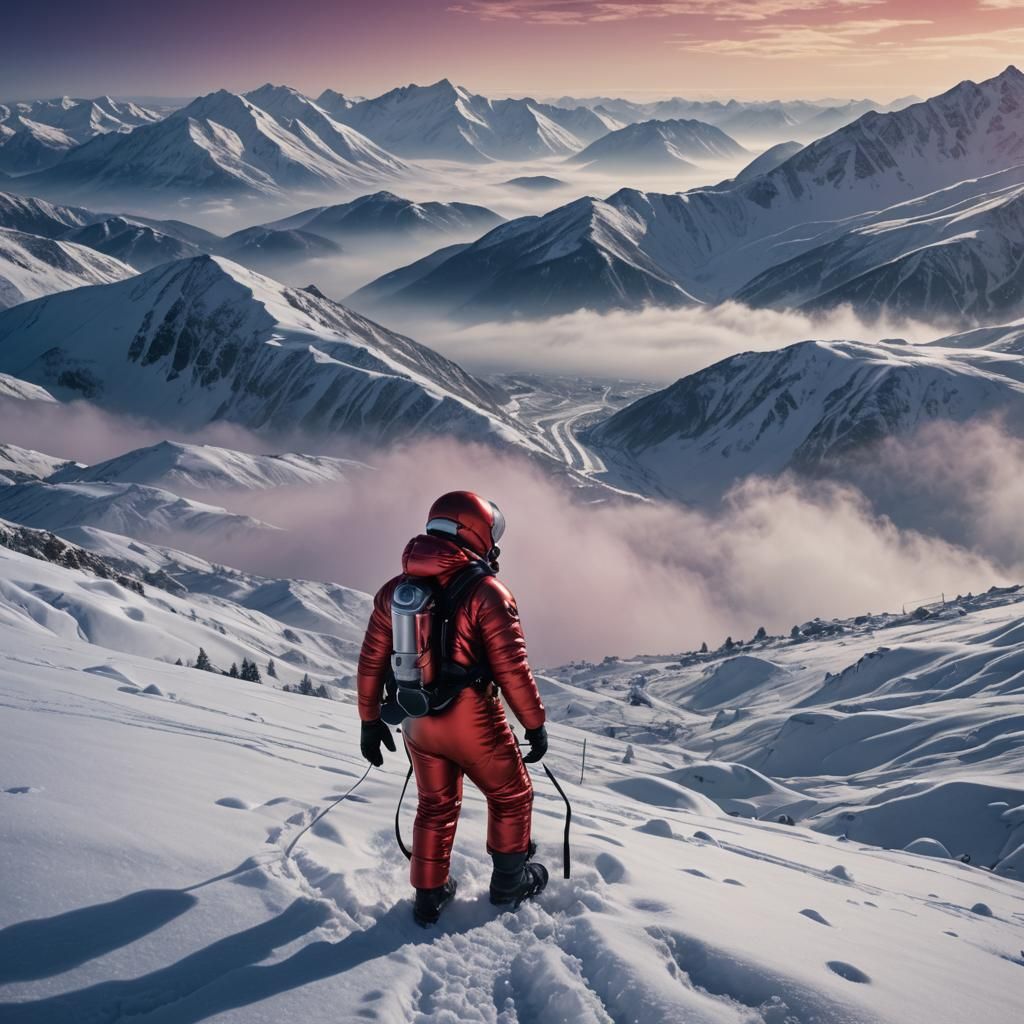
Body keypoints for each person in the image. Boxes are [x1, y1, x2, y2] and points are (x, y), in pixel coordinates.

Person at [356, 490, 549, 926]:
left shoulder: (395, 590)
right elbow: (512, 669)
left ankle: (429, 895)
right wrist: (535, 725)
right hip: (471, 717)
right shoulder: (487, 592)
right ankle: (509, 883)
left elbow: (370, 661)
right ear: (476, 533)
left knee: (435, 804)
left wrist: (369, 721)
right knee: (511, 794)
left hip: (416, 717)